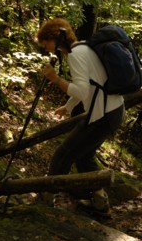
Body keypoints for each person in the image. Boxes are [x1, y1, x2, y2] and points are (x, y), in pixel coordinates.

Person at [37, 18, 125, 215]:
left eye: (46, 43)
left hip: (103, 115)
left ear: (55, 38)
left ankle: (45, 201)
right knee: (84, 157)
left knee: (63, 154)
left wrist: (55, 79)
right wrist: (68, 107)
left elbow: (82, 91)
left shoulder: (76, 55)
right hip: (112, 111)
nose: (46, 48)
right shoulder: (84, 48)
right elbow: (91, 84)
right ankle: (100, 204)